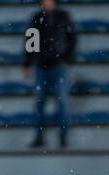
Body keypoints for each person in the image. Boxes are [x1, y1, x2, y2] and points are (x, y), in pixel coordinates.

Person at [24, 0, 76, 149]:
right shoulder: (37, 17)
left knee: (62, 102)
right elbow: (30, 41)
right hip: (41, 66)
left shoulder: (63, 16)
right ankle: (39, 137)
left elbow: (72, 39)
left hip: (59, 65)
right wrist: (28, 62)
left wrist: (67, 58)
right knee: (40, 102)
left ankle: (63, 137)